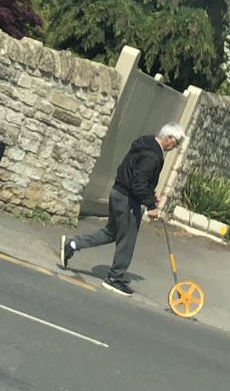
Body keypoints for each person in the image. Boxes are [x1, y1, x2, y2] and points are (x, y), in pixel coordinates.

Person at [60, 123, 186, 296]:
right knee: (127, 238)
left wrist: (150, 194)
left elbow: (135, 175)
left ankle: (73, 244)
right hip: (127, 199)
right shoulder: (153, 155)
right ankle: (115, 278)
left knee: (111, 232)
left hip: (119, 193)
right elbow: (138, 182)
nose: (176, 147)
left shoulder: (146, 143)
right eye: (177, 143)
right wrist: (151, 205)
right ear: (169, 137)